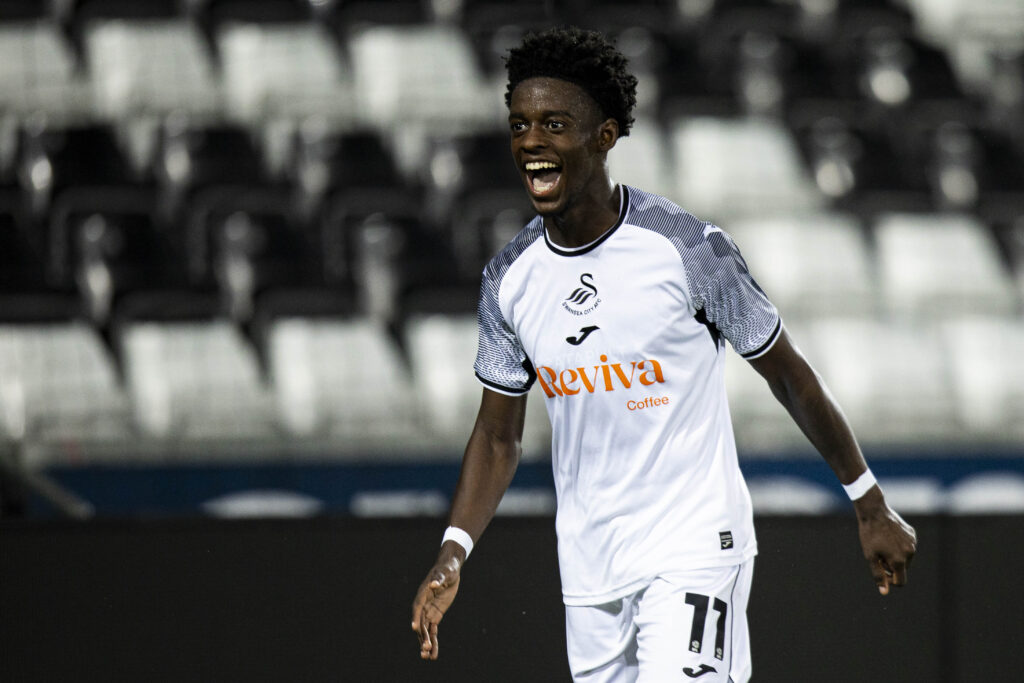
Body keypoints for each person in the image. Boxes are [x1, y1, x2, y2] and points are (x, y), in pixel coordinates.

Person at [411, 26, 916, 682]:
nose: (532, 141)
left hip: (695, 546)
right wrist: (453, 551)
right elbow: (498, 436)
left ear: (605, 135)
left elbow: (789, 375)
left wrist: (868, 500)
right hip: (590, 570)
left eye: (555, 123)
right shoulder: (509, 279)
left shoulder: (688, 250)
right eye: (520, 125)